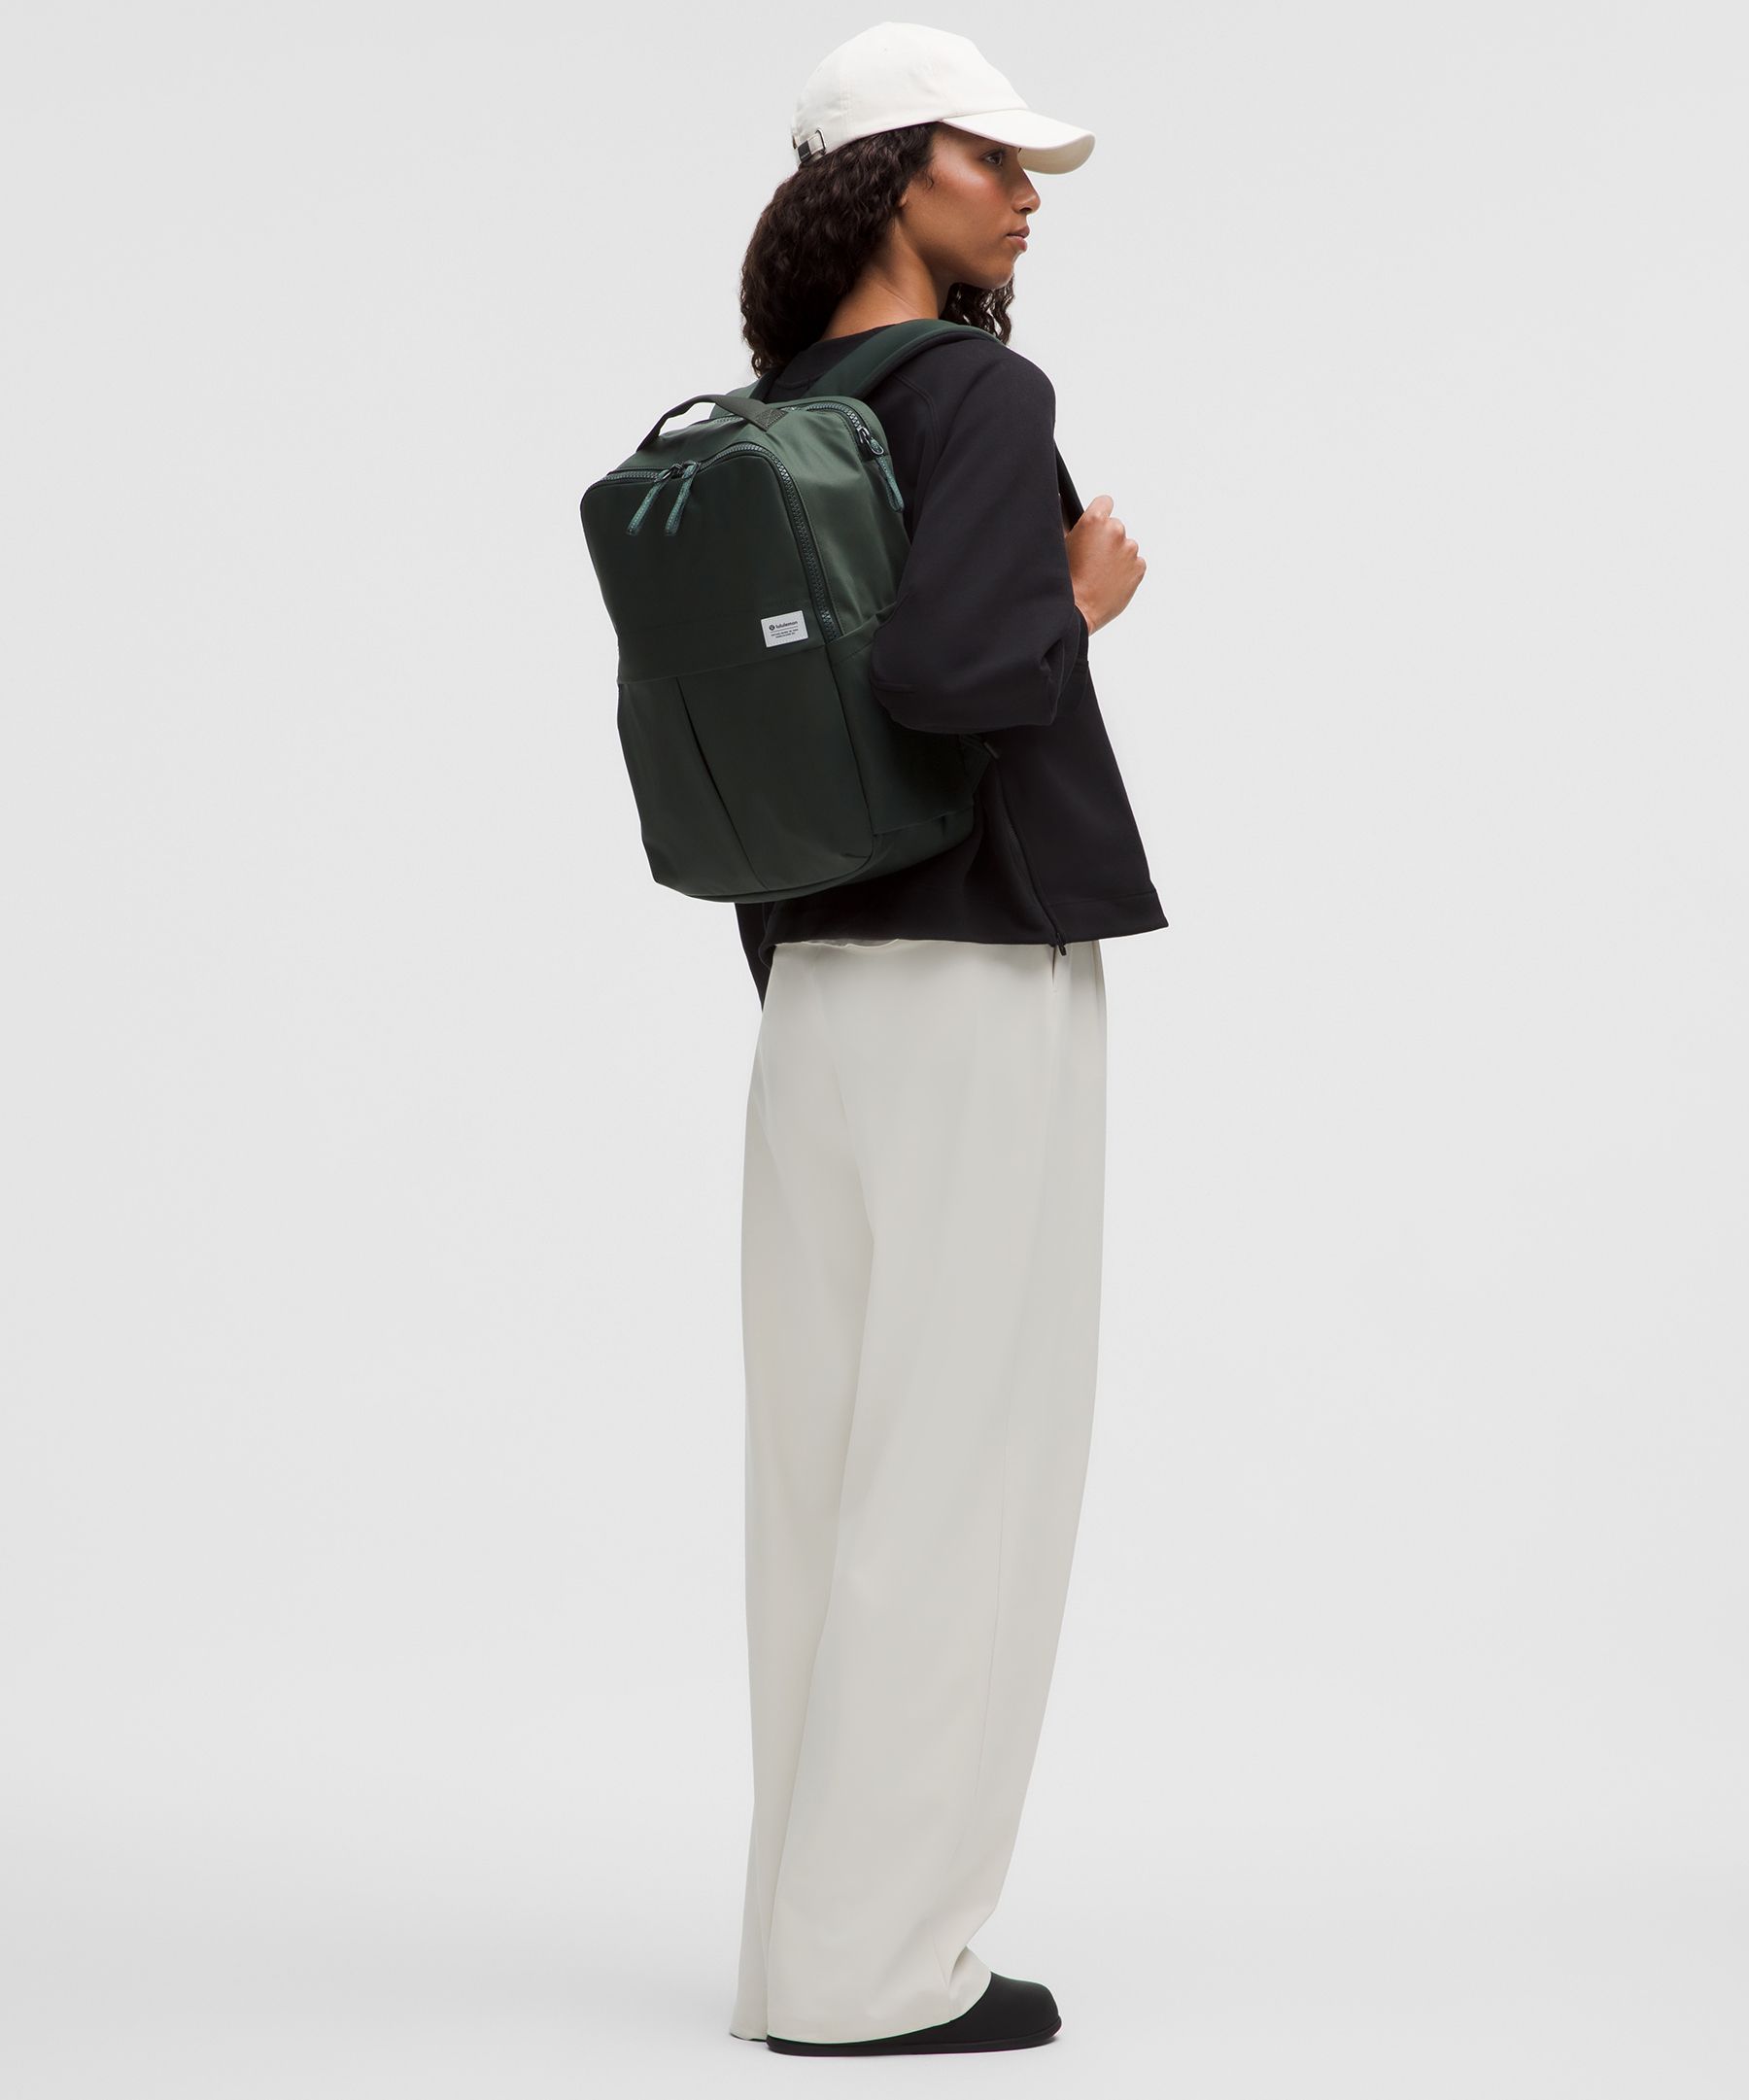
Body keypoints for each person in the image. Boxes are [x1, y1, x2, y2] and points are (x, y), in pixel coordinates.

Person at [728, 23, 1167, 2057]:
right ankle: (888, 1972)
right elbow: (954, 672)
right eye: (996, 160)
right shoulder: (981, 393)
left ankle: (800, 1947)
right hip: (978, 974)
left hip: (814, 992)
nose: (1025, 196)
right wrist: (1078, 597)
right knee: (963, 1473)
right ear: (896, 171)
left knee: (821, 1477)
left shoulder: (776, 413)